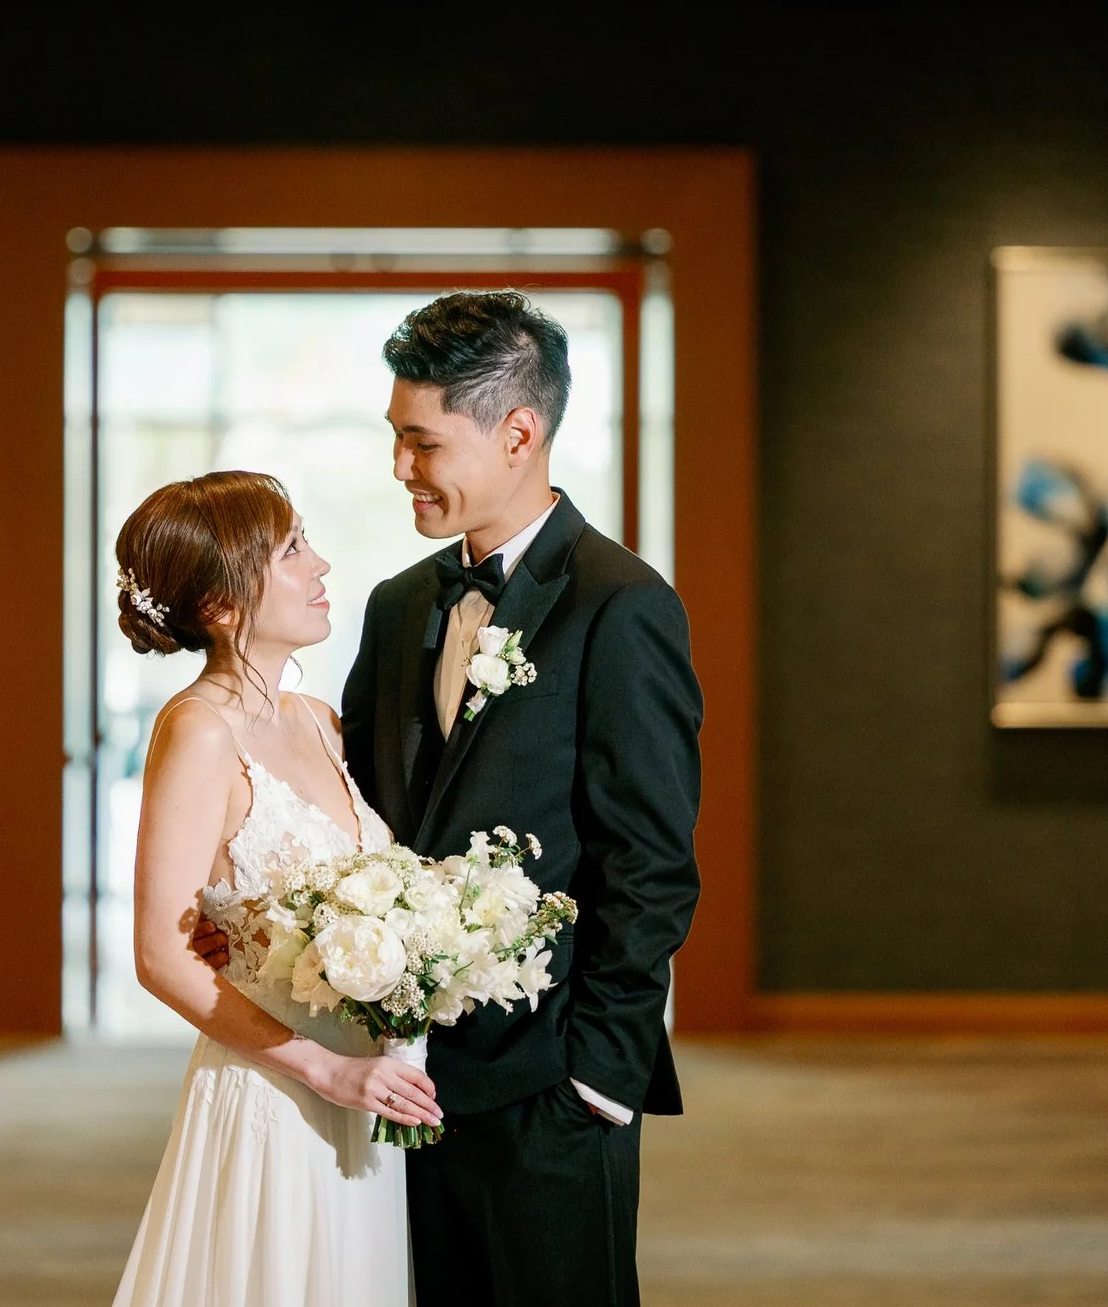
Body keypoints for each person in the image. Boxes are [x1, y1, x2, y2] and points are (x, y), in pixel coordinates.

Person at [200, 291, 705, 1307]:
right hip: (393, 1081)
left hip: (549, 1087)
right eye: (395, 439)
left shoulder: (623, 605)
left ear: (518, 433)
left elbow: (648, 863)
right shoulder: (395, 608)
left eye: (422, 443)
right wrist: (255, 921)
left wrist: (596, 1082)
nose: (401, 469)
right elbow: (359, 816)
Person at [108, 470, 436, 1307]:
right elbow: (159, 955)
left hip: (369, 1092)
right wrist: (326, 1071)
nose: (320, 563)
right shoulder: (197, 732)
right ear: (221, 603)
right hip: (280, 1092)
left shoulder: (318, 720)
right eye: (292, 549)